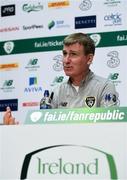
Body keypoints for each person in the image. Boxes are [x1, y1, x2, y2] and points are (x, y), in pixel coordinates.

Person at [3, 32, 118, 124]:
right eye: (64, 54)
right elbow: (43, 130)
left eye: (73, 54)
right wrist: (14, 130)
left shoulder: (105, 87)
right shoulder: (56, 91)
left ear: (89, 59)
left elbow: (110, 127)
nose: (66, 60)